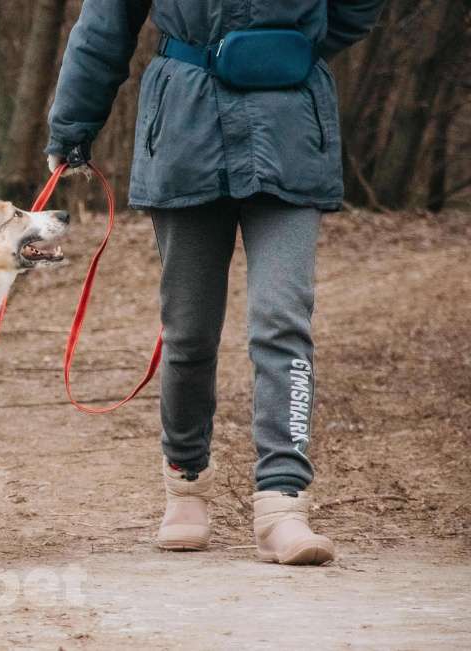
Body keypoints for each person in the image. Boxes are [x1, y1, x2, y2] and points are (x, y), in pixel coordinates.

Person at [45, 0, 385, 565]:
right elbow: (106, 22)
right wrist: (73, 125)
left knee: (283, 322)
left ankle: (282, 503)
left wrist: (287, 48)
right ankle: (185, 482)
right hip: (184, 135)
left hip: (292, 134)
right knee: (189, 332)